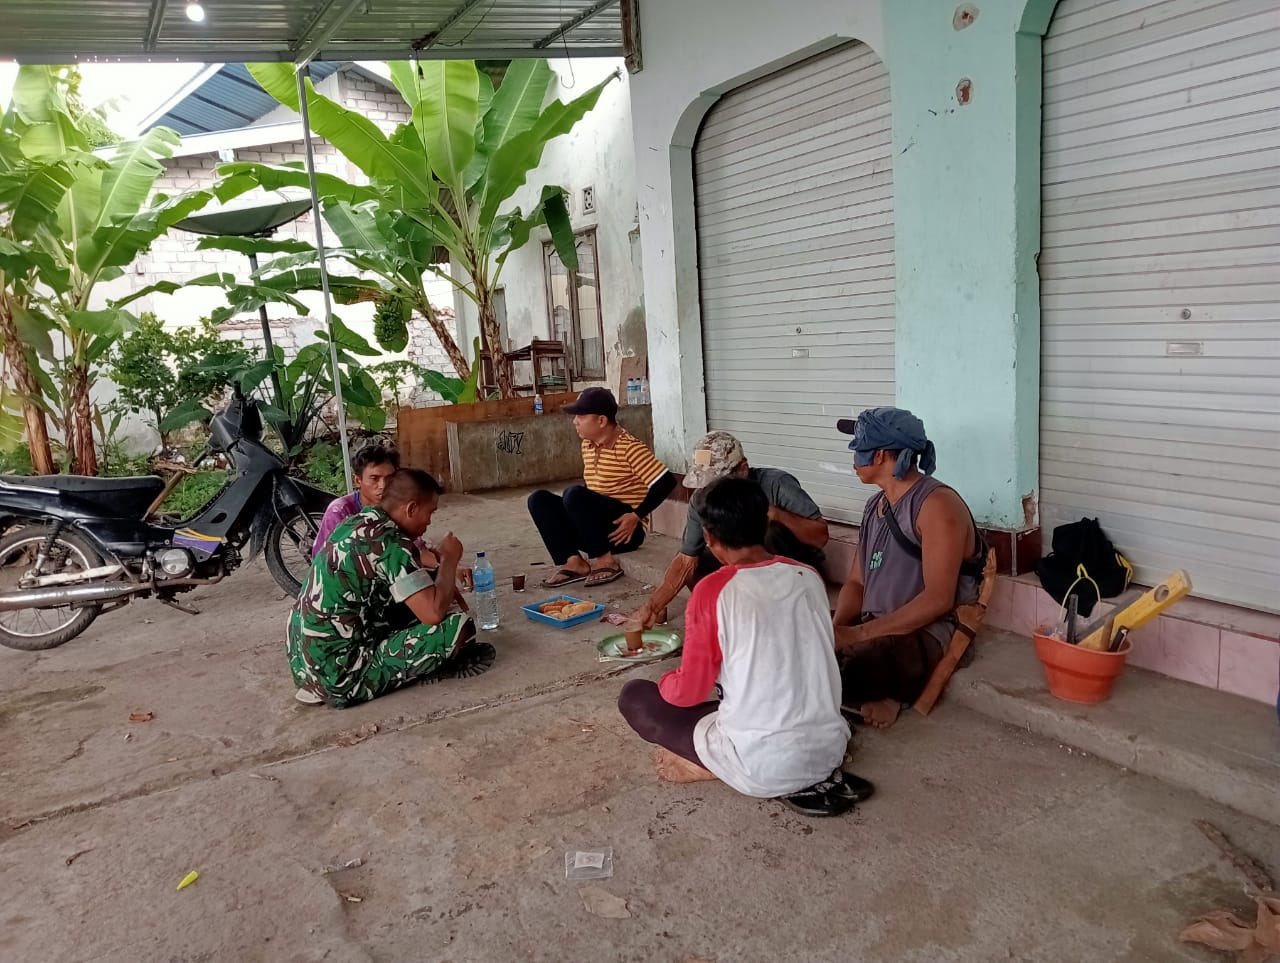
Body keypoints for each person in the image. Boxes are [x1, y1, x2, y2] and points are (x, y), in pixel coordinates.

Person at [617, 476, 870, 816]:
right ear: (766, 523)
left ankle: (712, 767)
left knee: (636, 696)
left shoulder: (713, 590)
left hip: (760, 765)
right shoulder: (807, 575)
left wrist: (665, 682)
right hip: (829, 747)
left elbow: (689, 693)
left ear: (708, 537)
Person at [832, 407, 985, 729]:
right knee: (802, 652)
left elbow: (939, 600)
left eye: (859, 447)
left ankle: (891, 696)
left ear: (881, 455)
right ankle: (869, 692)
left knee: (851, 670)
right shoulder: (876, 505)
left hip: (922, 632)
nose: (854, 456)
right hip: (877, 626)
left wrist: (856, 635)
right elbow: (857, 583)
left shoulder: (936, 506)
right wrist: (835, 629)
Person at [288, 469, 489, 708]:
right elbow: (432, 613)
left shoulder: (358, 522)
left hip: (305, 667)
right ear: (411, 509)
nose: (430, 521)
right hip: (341, 677)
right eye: (430, 512)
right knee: (457, 627)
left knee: (411, 604)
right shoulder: (390, 543)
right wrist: (449, 560)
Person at [630, 431, 829, 628]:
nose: (712, 491)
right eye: (706, 485)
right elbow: (686, 560)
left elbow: (820, 536)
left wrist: (778, 515)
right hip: (742, 574)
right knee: (695, 562)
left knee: (771, 533)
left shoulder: (777, 484)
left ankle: (779, 612)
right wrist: (655, 604)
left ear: (742, 469)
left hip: (791, 573)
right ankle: (728, 615)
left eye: (718, 482)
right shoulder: (702, 499)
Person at [528, 387, 677, 588]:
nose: (575, 422)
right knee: (539, 499)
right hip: (594, 529)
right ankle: (574, 562)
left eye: (581, 416)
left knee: (573, 494)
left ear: (601, 420)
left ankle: (604, 559)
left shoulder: (629, 447)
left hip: (624, 534)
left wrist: (636, 515)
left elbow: (666, 481)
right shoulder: (587, 445)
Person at [311, 444, 400, 556]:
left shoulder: (398, 505)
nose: (383, 485)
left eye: (389, 478)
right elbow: (328, 559)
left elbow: (417, 547)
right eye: (374, 478)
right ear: (358, 481)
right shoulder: (340, 511)